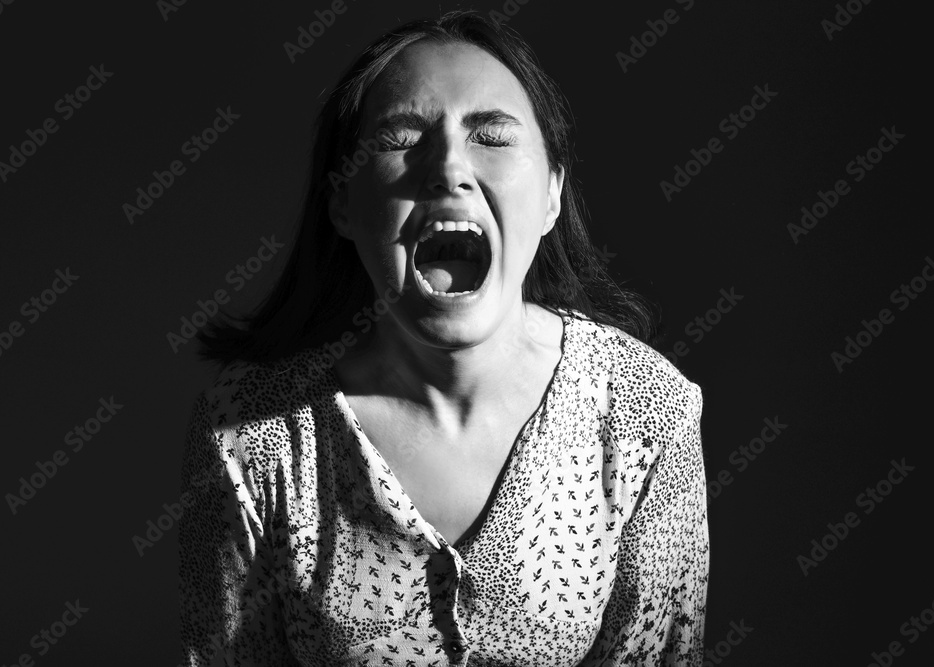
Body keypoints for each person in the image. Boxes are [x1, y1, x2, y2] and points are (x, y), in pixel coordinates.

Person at [179, 10, 708, 666]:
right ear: (341, 203)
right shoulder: (249, 435)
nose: (450, 167)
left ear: (550, 195)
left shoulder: (647, 411)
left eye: (491, 135)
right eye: (401, 136)